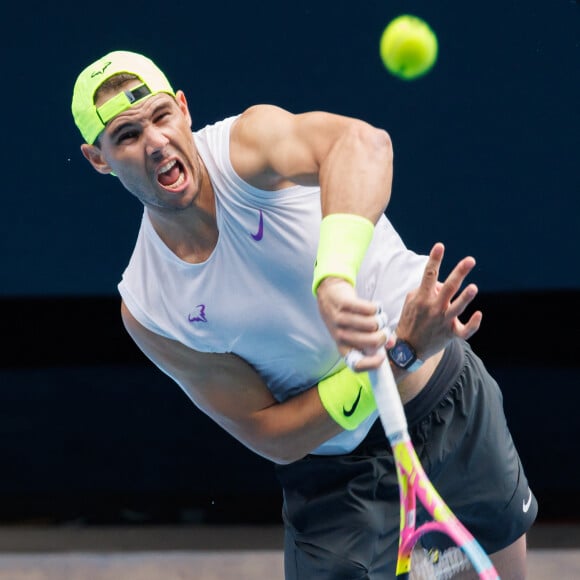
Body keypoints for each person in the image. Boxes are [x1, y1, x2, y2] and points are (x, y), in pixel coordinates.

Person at [72, 50, 537, 579]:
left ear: (183, 108)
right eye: (127, 135)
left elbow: (363, 143)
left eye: (160, 116)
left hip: (448, 407)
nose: (155, 141)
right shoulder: (150, 306)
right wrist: (397, 356)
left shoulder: (248, 145)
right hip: (339, 480)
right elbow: (271, 434)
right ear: (99, 159)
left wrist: (333, 278)